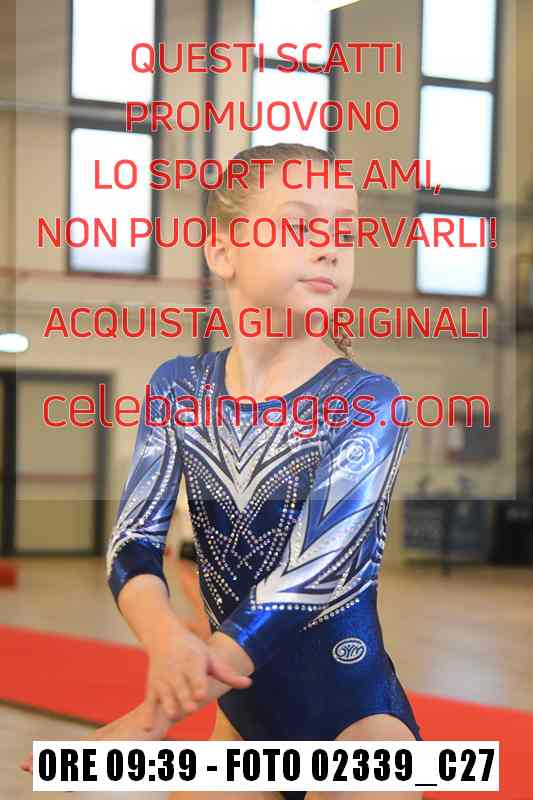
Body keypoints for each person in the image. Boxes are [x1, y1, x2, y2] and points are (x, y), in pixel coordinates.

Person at [21, 142, 422, 800]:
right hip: (242, 725)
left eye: (345, 232)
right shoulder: (179, 388)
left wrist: (152, 719)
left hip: (357, 728)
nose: (329, 248)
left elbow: (310, 577)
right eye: (299, 224)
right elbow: (133, 544)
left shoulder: (368, 401)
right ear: (222, 250)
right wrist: (164, 643)